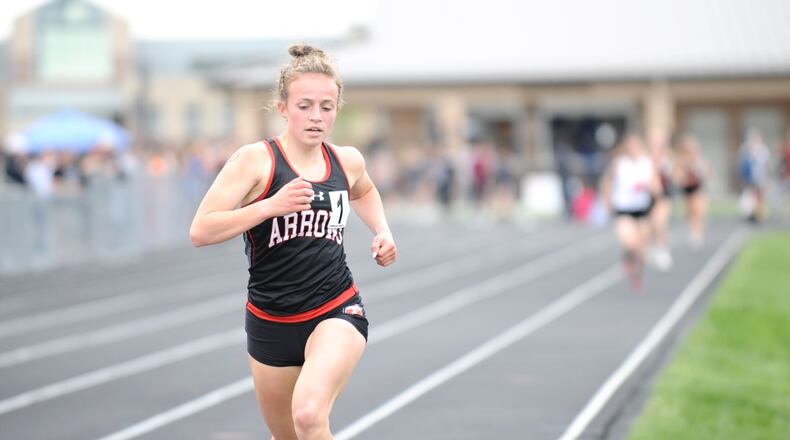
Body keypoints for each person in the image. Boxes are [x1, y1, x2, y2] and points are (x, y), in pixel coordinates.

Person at [189, 44, 397, 440]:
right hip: (271, 320)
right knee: (287, 435)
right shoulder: (256, 161)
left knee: (307, 415)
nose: (317, 117)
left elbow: (365, 191)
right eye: (305, 105)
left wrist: (382, 230)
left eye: (327, 106)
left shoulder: (346, 160)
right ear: (282, 108)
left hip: (336, 308)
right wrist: (269, 206)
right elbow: (201, 229)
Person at [600, 133, 661, 290]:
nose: (632, 148)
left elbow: (656, 186)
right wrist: (607, 200)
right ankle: (628, 258)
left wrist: (652, 189)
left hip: (642, 209)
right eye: (629, 145)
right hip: (623, 209)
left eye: (635, 145)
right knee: (628, 240)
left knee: (641, 248)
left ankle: (638, 273)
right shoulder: (619, 163)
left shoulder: (647, 163)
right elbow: (607, 182)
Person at [675, 134, 711, 247]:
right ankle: (695, 231)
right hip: (687, 190)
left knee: (698, 211)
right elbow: (678, 177)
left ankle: (698, 233)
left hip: (698, 189)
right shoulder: (681, 161)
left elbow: (708, 173)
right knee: (690, 212)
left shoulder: (699, 160)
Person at [646, 129, 674, 270]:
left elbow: (674, 174)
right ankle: (653, 247)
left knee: (660, 222)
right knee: (651, 225)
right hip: (646, 197)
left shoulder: (667, 157)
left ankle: (663, 249)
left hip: (663, 195)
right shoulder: (645, 157)